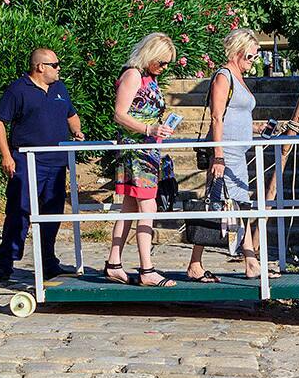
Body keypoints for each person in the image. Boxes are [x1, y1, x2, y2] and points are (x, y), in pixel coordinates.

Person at [0, 46, 82, 284]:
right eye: (55, 65)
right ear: (40, 67)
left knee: (52, 214)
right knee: (20, 211)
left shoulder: (59, 88)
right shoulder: (18, 90)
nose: (59, 69)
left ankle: (48, 261)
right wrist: (6, 155)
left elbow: (71, 114)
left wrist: (77, 130)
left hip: (57, 163)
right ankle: (5, 262)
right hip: (27, 160)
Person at [186, 29, 267, 283]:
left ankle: (246, 261)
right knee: (221, 206)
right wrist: (218, 154)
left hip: (238, 154)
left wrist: (256, 128)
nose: (253, 62)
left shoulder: (238, 77)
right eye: (251, 56)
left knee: (234, 206)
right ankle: (200, 263)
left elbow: (235, 116)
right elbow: (217, 116)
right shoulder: (224, 76)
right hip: (227, 153)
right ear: (239, 52)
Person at [104, 32, 175, 286]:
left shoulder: (148, 78)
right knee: (148, 206)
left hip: (147, 150)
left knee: (130, 207)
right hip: (137, 150)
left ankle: (114, 263)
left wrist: (159, 127)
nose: (164, 68)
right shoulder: (133, 75)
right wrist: (148, 130)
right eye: (162, 62)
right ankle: (147, 268)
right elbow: (120, 114)